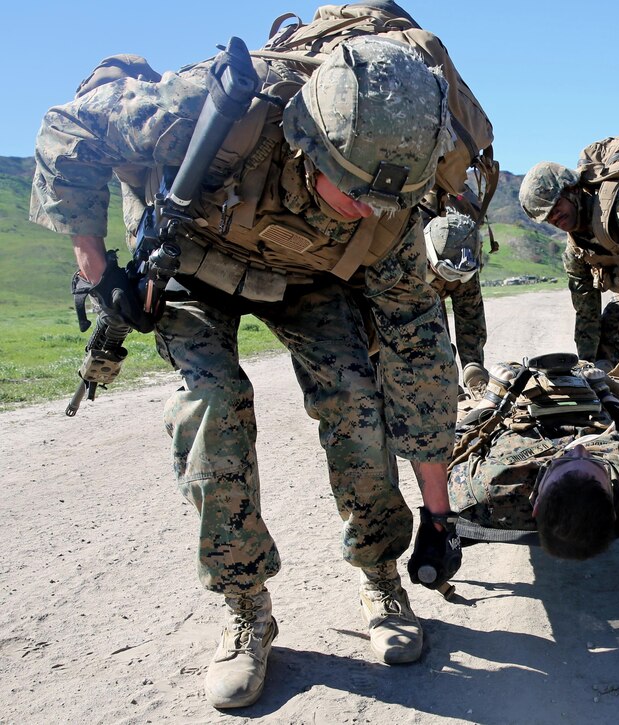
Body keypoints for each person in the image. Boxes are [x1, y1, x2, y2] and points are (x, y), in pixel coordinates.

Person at [30, 36, 465, 708]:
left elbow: (419, 353)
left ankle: (381, 574)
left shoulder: (389, 205)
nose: (365, 210)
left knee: (359, 398)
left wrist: (439, 514)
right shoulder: (214, 108)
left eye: (382, 202)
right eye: (349, 191)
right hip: (192, 262)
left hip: (305, 281)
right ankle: (247, 609)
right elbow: (68, 129)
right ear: (307, 140)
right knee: (213, 403)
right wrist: (96, 270)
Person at [447, 360, 619, 558]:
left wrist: (492, 398)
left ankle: (475, 393)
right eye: (595, 462)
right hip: (593, 415)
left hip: (517, 418)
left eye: (563, 461)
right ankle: (608, 375)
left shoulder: (489, 486)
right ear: (612, 507)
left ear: (536, 504)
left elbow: (453, 449)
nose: (580, 449)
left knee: (458, 409)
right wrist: (603, 390)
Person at [518, 161, 619, 371]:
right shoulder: (575, 251)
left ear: (573, 190)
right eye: (547, 217)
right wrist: (586, 365)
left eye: (556, 208)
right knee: (602, 350)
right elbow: (586, 312)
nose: (554, 218)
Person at [421, 203, 488, 391]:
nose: (456, 279)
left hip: (454, 267)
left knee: (471, 319)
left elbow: (471, 319)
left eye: (462, 274)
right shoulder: (411, 265)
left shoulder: (465, 267)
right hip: (425, 281)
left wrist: (473, 368)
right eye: (449, 273)